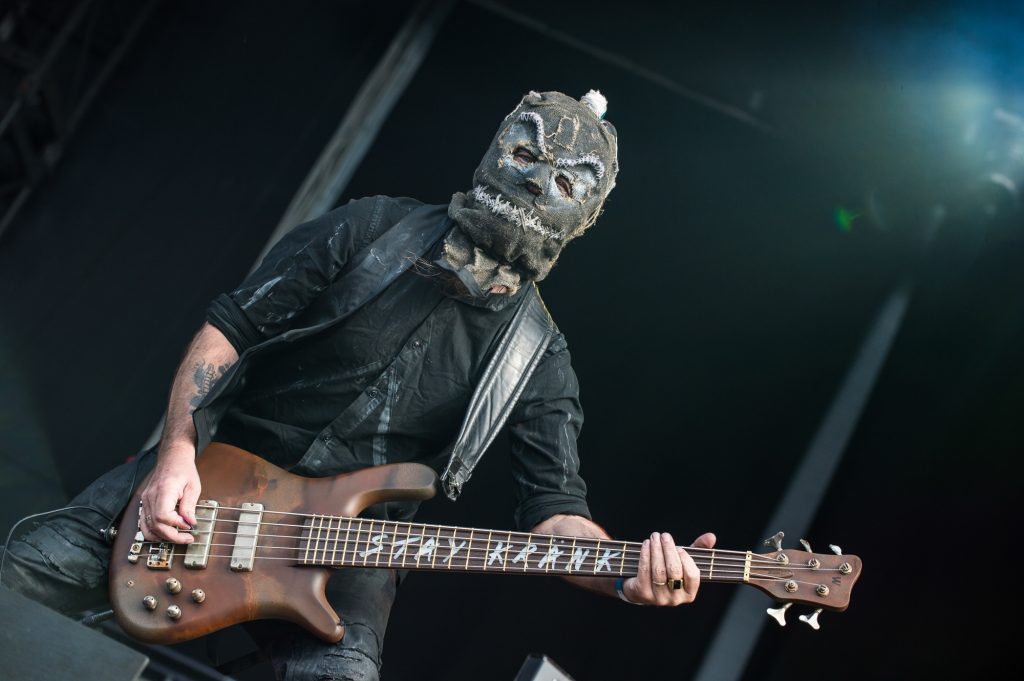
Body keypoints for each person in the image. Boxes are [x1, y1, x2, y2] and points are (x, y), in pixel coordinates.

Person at [2, 89, 715, 681]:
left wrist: (626, 573)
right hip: (209, 483)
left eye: (565, 183)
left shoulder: (540, 357)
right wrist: (176, 455)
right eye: (527, 156)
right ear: (496, 148)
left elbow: (555, 513)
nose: (534, 184)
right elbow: (231, 328)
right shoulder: (372, 227)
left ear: (585, 216)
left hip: (344, 557)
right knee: (24, 579)